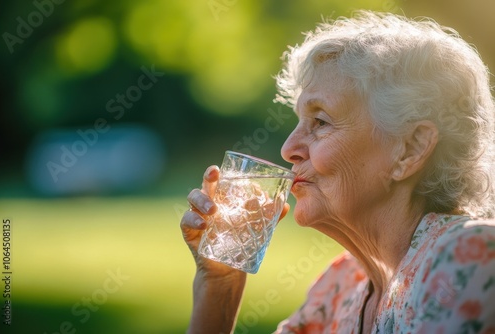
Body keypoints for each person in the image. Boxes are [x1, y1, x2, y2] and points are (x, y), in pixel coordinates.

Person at [180, 11, 495, 333]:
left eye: (320, 122)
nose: (288, 148)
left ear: (409, 150)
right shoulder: (341, 285)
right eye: (299, 121)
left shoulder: (472, 256)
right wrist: (219, 283)